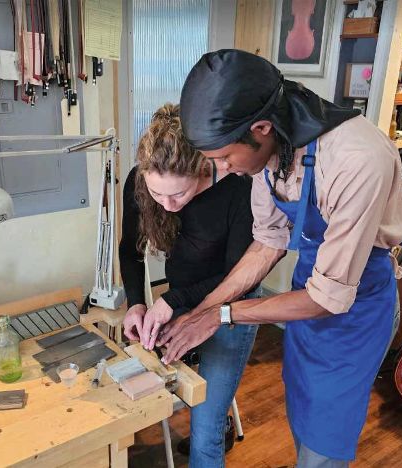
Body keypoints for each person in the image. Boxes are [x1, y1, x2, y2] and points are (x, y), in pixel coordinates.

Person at [149, 50, 402, 467]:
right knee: (301, 417)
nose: (225, 169)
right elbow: (267, 243)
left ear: (260, 128)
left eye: (224, 158)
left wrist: (222, 315)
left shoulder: (358, 158)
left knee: (323, 446)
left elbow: (328, 298)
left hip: (355, 312)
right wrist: (199, 311)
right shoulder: (273, 146)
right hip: (304, 304)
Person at [118, 103, 259, 467]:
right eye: (157, 195)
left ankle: (215, 424)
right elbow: (130, 251)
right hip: (182, 296)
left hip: (232, 306)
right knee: (181, 383)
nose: (167, 206)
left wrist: (172, 299)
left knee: (205, 426)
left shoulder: (238, 188)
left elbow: (237, 275)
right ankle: (218, 415)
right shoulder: (139, 181)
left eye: (178, 195)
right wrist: (137, 303)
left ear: (200, 168)